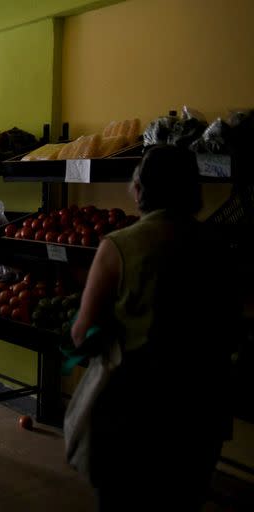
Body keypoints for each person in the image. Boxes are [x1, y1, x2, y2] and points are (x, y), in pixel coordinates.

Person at [71, 144, 238, 511]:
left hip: (135, 414)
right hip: (200, 411)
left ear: (140, 187)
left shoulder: (119, 246)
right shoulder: (219, 244)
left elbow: (82, 333)